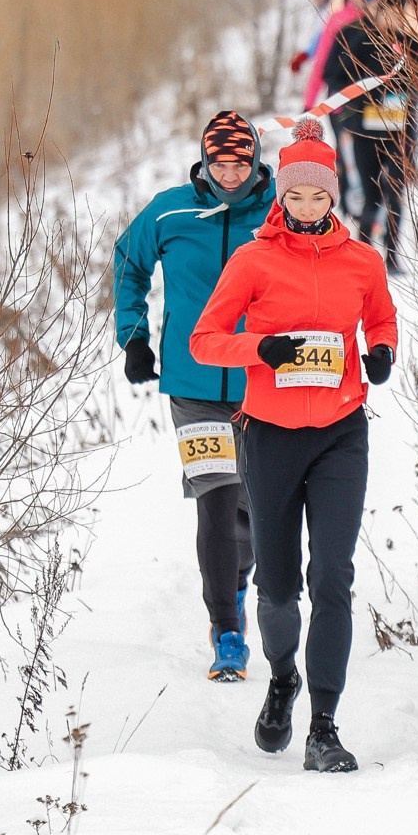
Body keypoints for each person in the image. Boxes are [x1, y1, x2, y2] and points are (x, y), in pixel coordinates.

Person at [190, 120, 398, 774]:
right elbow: (205, 340)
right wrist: (262, 350)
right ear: (281, 197)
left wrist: (383, 351)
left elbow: (382, 314)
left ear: (334, 197)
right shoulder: (252, 260)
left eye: (319, 197)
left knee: (331, 576)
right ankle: (283, 681)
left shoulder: (362, 259)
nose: (308, 208)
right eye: (297, 197)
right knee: (279, 587)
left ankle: (325, 729)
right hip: (271, 435)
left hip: (341, 431)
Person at [114, 111, 278, 681]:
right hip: (193, 383)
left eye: (240, 164)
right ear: (202, 162)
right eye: (218, 164)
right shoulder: (171, 209)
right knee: (217, 496)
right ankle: (226, 630)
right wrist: (134, 338)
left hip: (265, 381)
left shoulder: (281, 210)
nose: (229, 176)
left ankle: (238, 585)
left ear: (256, 160)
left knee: (255, 505)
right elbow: (128, 263)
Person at [322, 0, 418, 274]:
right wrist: (346, 114)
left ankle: (392, 258)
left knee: (395, 189)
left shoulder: (409, 42)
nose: (396, 18)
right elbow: (332, 76)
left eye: (402, 12)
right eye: (390, 11)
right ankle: (364, 254)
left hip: (400, 130)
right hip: (364, 129)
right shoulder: (352, 36)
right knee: (371, 193)